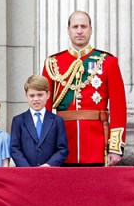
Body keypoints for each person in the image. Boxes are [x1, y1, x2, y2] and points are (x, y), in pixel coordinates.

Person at [42, 10, 126, 166]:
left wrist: (115, 147)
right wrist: (46, 145)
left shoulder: (108, 62)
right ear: (68, 30)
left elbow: (118, 106)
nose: (79, 31)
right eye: (75, 26)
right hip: (63, 142)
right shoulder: (53, 63)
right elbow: (45, 108)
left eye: (83, 26)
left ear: (91, 30)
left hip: (97, 144)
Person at [10, 75, 68, 167]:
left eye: (40, 95)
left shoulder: (57, 121)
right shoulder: (18, 121)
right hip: (25, 173)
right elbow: (14, 148)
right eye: (32, 95)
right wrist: (27, 168)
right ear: (26, 96)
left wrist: (49, 165)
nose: (36, 99)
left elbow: (62, 149)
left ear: (48, 95)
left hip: (50, 172)